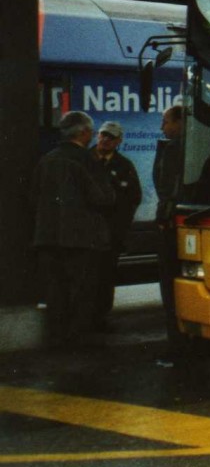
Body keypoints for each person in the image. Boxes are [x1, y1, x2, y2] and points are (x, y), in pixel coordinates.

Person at [30, 111, 114, 348]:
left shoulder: (47, 159)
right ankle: (76, 341)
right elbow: (104, 198)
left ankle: (55, 339)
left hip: (47, 238)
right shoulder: (87, 161)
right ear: (83, 133)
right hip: (81, 240)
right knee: (82, 292)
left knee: (55, 292)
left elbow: (33, 197)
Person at [89, 121, 142, 329]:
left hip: (111, 234)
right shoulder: (85, 160)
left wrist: (120, 227)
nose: (105, 140)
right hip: (86, 232)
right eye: (103, 135)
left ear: (119, 141)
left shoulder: (124, 165)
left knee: (105, 276)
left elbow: (134, 197)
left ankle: (101, 317)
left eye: (111, 137)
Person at [153, 104, 186, 356]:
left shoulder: (173, 149)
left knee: (170, 285)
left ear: (179, 122)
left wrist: (164, 217)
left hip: (172, 225)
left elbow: (164, 187)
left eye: (166, 121)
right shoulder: (205, 144)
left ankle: (176, 342)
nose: (163, 127)